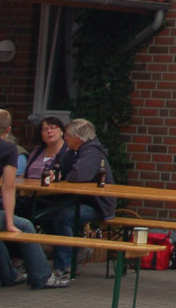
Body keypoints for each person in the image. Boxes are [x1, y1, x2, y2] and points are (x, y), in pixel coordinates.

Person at [0, 109, 65, 289]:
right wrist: (10, 223)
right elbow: (8, 187)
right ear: (8, 130)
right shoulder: (8, 148)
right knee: (25, 225)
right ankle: (42, 277)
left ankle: (9, 275)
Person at [35, 118, 116, 279]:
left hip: (98, 204)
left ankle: (63, 267)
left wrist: (63, 176)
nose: (65, 138)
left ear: (77, 138)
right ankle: (75, 251)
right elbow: (57, 168)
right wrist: (54, 173)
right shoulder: (74, 151)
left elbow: (78, 175)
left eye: (67, 136)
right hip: (78, 199)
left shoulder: (92, 152)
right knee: (42, 213)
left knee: (63, 218)